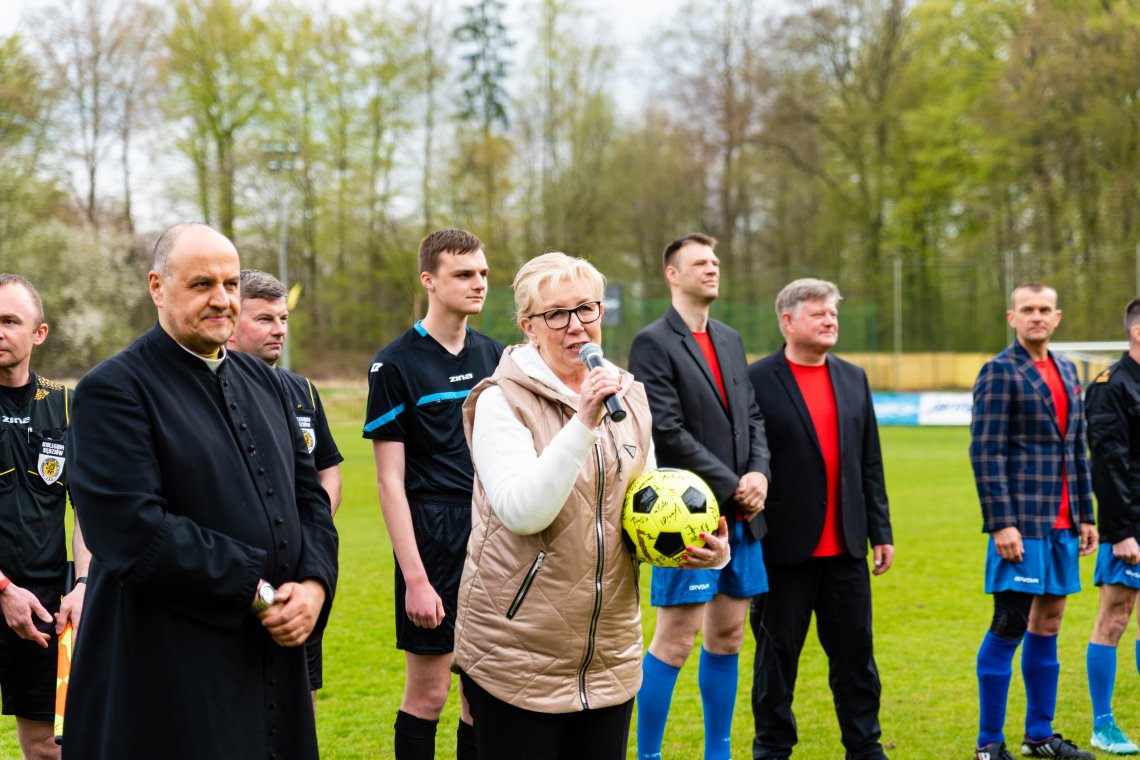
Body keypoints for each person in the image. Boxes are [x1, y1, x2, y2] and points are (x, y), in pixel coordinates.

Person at [63, 223, 338, 759]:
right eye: (201, 284)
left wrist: (313, 586)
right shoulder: (113, 391)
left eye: (231, 284)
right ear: (157, 287)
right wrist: (259, 595)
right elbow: (131, 532)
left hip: (272, 653)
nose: (222, 299)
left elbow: (311, 500)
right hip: (168, 667)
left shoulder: (273, 385)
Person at [455, 251, 726, 759]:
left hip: (609, 656)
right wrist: (583, 423)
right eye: (557, 313)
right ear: (529, 327)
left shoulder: (629, 398)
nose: (576, 325)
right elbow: (521, 511)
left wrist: (705, 549)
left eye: (587, 308)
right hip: (518, 653)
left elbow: (641, 517)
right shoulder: (500, 400)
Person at [628, 232, 771, 760]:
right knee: (676, 639)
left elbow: (752, 416)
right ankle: (647, 755)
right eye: (700, 263)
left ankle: (719, 753)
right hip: (685, 517)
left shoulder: (730, 339)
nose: (712, 268)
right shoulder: (653, 342)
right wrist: (732, 482)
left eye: (715, 260)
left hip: (743, 516)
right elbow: (666, 430)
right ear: (673, 274)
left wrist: (758, 474)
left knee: (730, 636)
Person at [363, 229, 502, 760]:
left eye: (483, 273)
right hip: (432, 533)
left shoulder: (497, 355)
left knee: (482, 694)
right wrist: (416, 580)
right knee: (430, 692)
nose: (478, 284)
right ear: (429, 280)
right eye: (464, 274)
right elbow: (388, 481)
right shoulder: (394, 363)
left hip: (493, 530)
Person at [747, 278, 893, 760]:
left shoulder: (853, 377)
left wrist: (881, 532)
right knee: (776, 662)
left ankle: (865, 746)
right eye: (818, 314)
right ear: (787, 321)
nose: (830, 321)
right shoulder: (758, 379)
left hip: (847, 548)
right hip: (782, 549)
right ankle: (772, 748)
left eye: (833, 313)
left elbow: (869, 461)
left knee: (856, 659)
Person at [969, 282, 1097, 760]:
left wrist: (1086, 514)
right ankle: (988, 744)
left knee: (1051, 623)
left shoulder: (1067, 370)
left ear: (1057, 317)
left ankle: (1039, 736)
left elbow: (1076, 449)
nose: (1036, 317)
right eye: (1028, 309)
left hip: (1063, 523)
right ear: (1012, 317)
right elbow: (985, 452)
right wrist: (1002, 523)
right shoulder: (999, 372)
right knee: (1010, 622)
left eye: (1044, 309)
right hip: (1022, 523)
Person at [228, 268, 344, 707]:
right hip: (235, 572)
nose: (278, 330)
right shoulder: (209, 391)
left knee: (301, 694)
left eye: (283, 319)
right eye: (264, 319)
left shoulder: (303, 391)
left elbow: (328, 471)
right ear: (231, 324)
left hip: (300, 572)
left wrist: (310, 524)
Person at [0, 274, 90, 760]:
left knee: (46, 747)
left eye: (9, 321)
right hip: (5, 590)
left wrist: (81, 584)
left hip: (44, 601)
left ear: (39, 333)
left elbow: (88, 508)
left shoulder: (65, 403)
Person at [1083, 297, 1140, 755]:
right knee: (1116, 618)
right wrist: (1120, 532)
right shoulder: (1110, 386)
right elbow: (1107, 464)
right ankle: (1102, 724)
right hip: (1131, 526)